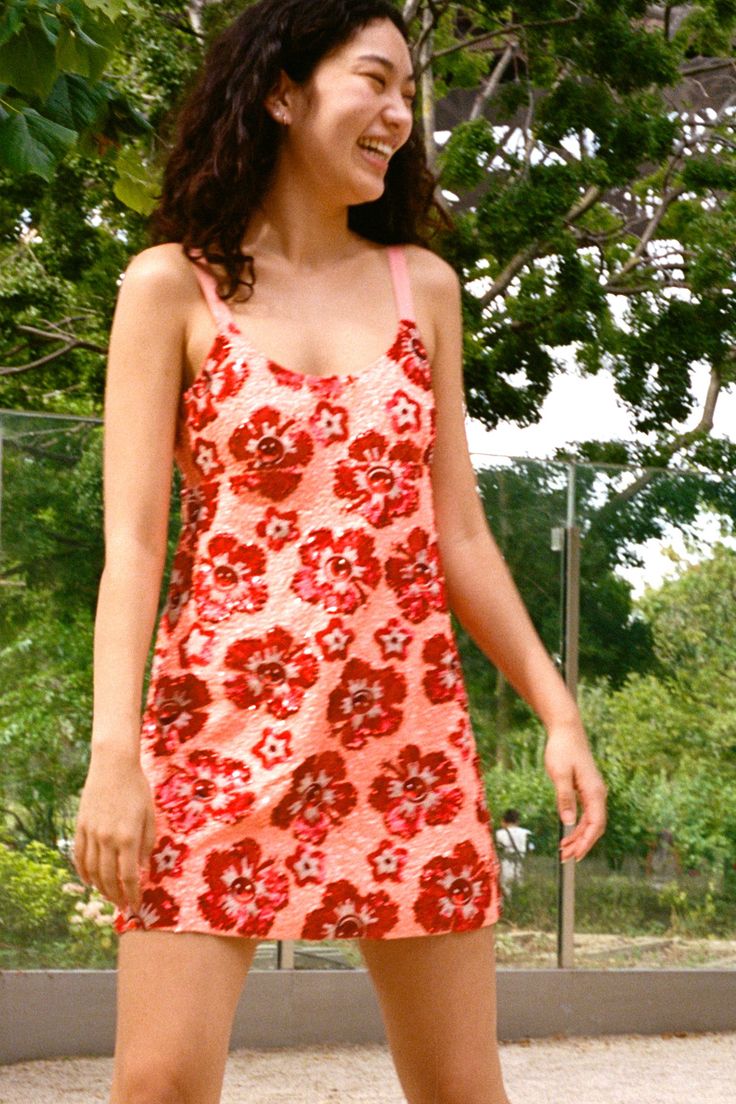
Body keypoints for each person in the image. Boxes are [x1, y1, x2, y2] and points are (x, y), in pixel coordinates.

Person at [71, 2, 608, 1101]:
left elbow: (457, 530)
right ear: (280, 90)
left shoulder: (426, 289)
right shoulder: (170, 285)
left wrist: (558, 712)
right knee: (157, 1086)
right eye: (376, 80)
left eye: (410, 92)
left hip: (404, 739)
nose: (401, 115)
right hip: (213, 733)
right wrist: (114, 754)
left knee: (462, 1091)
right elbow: (132, 545)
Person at [495, 808, 535, 892]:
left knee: (506, 890)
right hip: (521, 865)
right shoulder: (527, 833)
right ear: (517, 821)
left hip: (505, 866)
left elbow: (498, 850)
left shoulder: (499, 833)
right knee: (521, 892)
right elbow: (531, 850)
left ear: (504, 820)